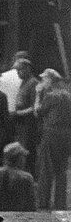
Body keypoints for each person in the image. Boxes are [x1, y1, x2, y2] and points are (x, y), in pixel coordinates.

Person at [36, 72, 71, 209]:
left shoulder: (50, 96)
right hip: (67, 135)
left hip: (51, 134)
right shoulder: (68, 96)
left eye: (44, 78)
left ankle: (43, 203)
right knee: (61, 170)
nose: (42, 81)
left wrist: (38, 95)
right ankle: (60, 204)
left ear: (50, 80)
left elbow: (37, 112)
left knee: (46, 168)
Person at [0, 142, 37, 213]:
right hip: (17, 218)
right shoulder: (27, 178)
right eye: (23, 157)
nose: (24, 160)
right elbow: (31, 206)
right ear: (18, 158)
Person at [12, 59, 40, 163]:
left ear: (28, 69)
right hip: (21, 124)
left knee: (28, 151)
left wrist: (17, 113)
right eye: (17, 71)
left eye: (20, 70)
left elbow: (35, 107)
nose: (18, 73)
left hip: (29, 125)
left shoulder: (34, 83)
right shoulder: (23, 83)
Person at [0, 51, 32, 119]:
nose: (18, 72)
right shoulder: (27, 81)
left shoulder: (2, 77)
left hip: (10, 116)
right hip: (19, 117)